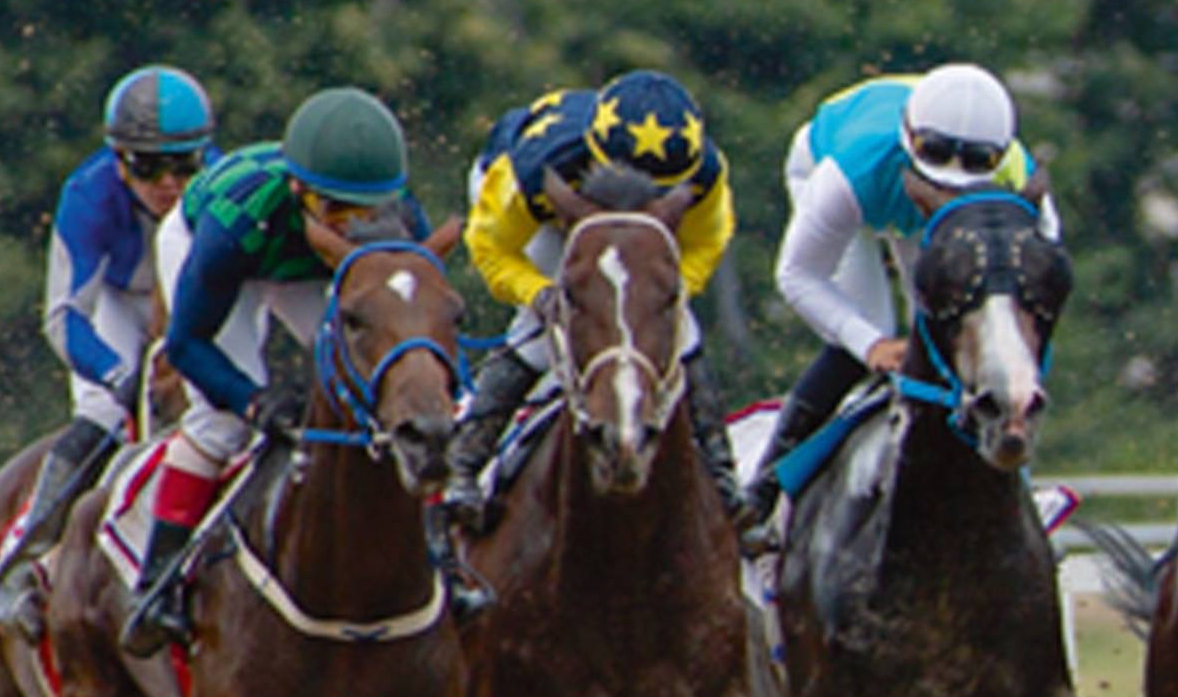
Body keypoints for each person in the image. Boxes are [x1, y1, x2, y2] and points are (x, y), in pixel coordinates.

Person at [122, 89, 462, 656]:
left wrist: (449, 393)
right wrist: (251, 400)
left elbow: (418, 322)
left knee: (394, 394)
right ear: (300, 191)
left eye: (370, 210)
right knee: (219, 426)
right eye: (340, 212)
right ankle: (158, 583)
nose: (358, 223)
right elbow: (186, 345)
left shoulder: (399, 214)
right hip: (234, 256)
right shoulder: (235, 222)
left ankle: (441, 556)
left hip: (309, 263)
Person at [738, 63, 1060, 539]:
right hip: (844, 175)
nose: (947, 184)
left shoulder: (1018, 176)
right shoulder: (852, 170)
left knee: (954, 335)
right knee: (873, 326)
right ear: (909, 138)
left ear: (998, 158)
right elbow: (798, 274)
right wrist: (868, 344)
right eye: (934, 159)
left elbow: (1044, 267)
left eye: (969, 166)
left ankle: (1017, 491)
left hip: (929, 215)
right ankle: (762, 493)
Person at [445, 70, 761, 544]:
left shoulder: (704, 174)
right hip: (546, 223)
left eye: (660, 193)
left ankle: (723, 481)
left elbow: (705, 243)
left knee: (683, 330)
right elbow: (492, 249)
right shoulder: (531, 171)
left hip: (642, 241)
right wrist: (539, 294)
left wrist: (669, 296)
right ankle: (464, 468)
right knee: (537, 335)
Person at [0, 66, 219, 637]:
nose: (168, 184)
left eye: (183, 166)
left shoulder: (220, 187)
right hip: (113, 302)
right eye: (147, 167)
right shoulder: (87, 196)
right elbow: (64, 316)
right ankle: (16, 567)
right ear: (117, 160)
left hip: (188, 294)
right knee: (108, 415)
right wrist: (115, 375)